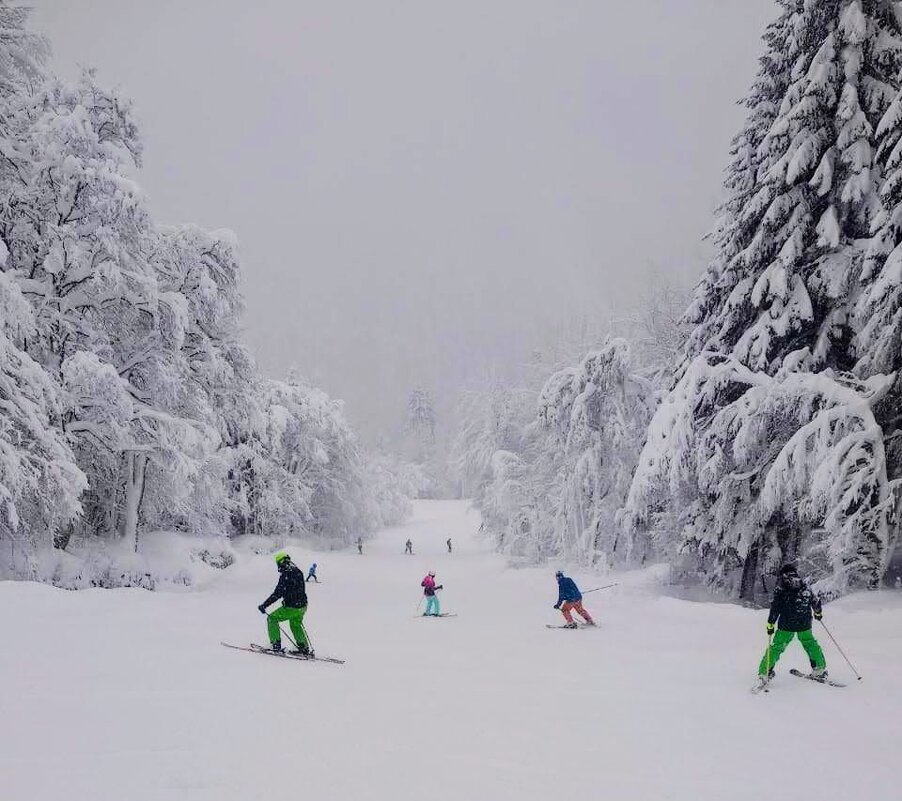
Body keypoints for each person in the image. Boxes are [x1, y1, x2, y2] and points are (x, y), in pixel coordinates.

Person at [757, 563, 826, 684]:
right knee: (810, 643)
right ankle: (819, 668)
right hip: (804, 624)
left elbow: (775, 608)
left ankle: (764, 672)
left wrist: (770, 624)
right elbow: (815, 601)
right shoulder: (805, 586)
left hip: (786, 625)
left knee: (777, 647)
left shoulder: (781, 588)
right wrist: (818, 613)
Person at [258, 551, 311, 655]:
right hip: (303, 606)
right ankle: (303, 647)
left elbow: (277, 593)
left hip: (292, 607)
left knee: (272, 619)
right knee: (295, 624)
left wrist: (264, 605)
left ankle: (275, 645)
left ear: (281, 562)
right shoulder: (298, 571)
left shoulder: (286, 575)